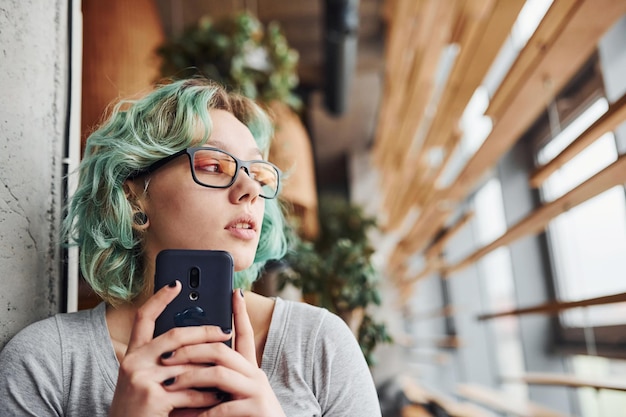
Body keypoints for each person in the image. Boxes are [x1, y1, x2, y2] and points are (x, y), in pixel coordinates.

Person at [0, 78, 382, 416]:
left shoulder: (318, 345)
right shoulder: (47, 364)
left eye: (258, 172)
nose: (250, 189)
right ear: (134, 199)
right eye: (215, 165)